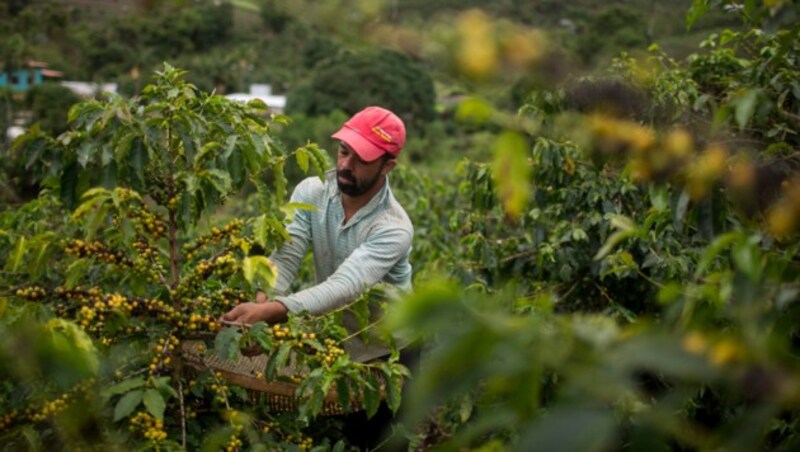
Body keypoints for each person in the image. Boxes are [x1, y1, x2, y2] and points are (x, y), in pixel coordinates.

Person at [220, 105, 414, 363]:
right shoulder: (312, 192)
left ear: (387, 166)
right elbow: (286, 257)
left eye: (362, 160)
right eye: (344, 152)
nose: (346, 165)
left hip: (389, 350)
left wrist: (271, 311)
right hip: (335, 341)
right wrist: (261, 306)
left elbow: (346, 286)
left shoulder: (394, 227)